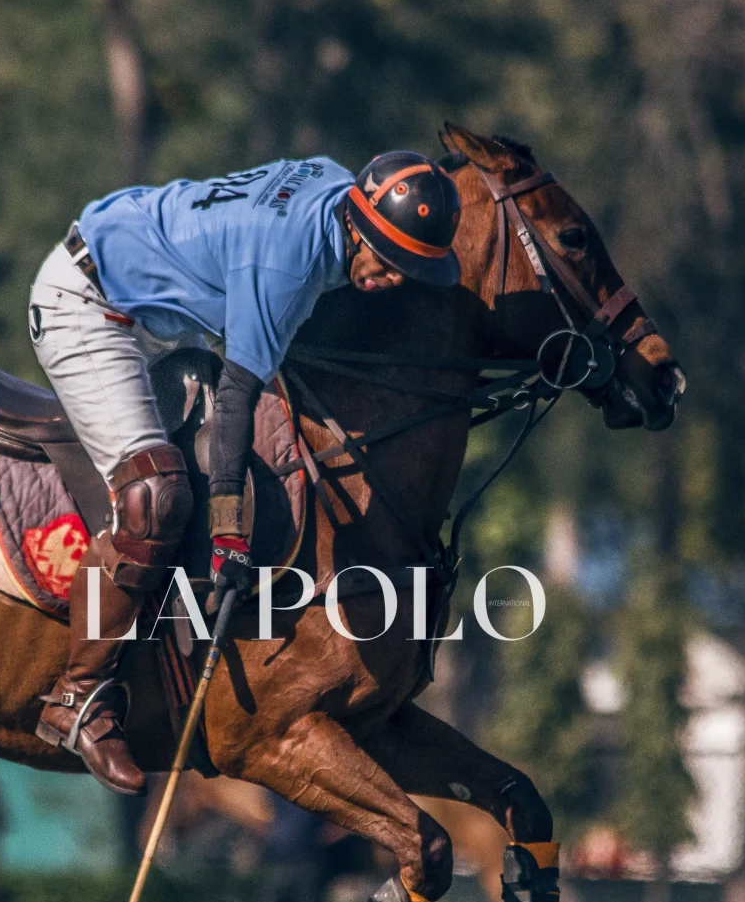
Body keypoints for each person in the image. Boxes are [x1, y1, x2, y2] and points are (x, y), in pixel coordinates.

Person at [29, 152, 465, 794]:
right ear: (358, 224)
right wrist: (230, 536)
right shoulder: (286, 265)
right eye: (387, 260)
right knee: (158, 496)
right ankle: (77, 697)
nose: (393, 279)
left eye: (410, 269)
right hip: (87, 305)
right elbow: (235, 401)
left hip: (139, 284)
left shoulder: (334, 182)